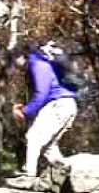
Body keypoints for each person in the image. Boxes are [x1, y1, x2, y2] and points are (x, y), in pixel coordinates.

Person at [12, 40, 77, 177]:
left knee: (34, 137)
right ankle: (68, 174)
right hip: (67, 105)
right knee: (49, 147)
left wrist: (24, 111)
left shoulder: (37, 64)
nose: (14, 65)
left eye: (14, 60)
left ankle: (28, 174)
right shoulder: (42, 63)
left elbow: (42, 94)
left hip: (58, 104)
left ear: (21, 56)